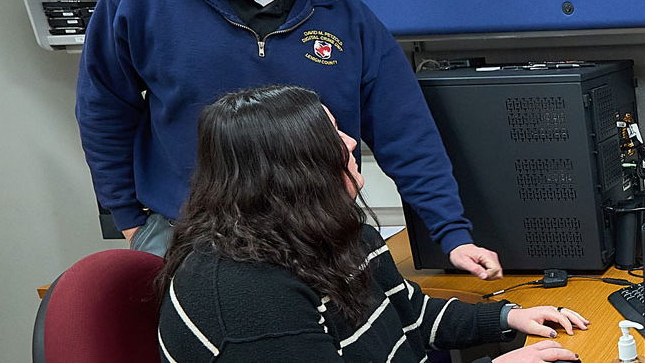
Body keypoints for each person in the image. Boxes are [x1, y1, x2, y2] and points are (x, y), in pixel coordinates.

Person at [76, 0, 504, 278]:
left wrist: (452, 235)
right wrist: (128, 219)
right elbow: (103, 108)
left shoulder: (347, 19)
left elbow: (407, 132)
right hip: (186, 239)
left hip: (315, 241)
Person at [157, 85, 589, 362]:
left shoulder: (338, 230)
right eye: (330, 137)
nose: (349, 141)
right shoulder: (244, 294)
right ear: (292, 173)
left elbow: (411, 317)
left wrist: (506, 318)